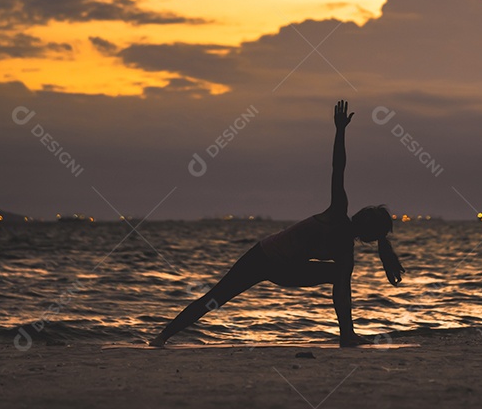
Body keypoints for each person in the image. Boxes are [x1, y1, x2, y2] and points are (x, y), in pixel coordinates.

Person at [150, 100, 404, 347]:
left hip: (286, 269)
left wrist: (340, 130)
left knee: (341, 275)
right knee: (217, 296)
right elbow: (338, 168)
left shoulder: (345, 252)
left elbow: (343, 295)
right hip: (263, 257)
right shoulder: (337, 214)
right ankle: (163, 336)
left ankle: (347, 335)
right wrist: (340, 131)